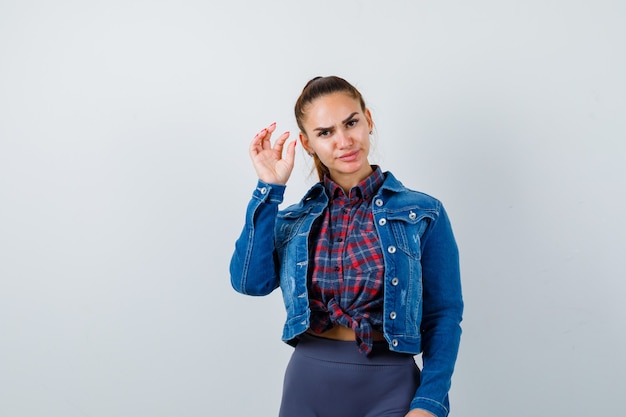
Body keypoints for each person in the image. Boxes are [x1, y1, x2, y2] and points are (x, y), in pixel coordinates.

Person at [230, 76, 463, 417]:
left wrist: (429, 403)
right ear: (307, 143)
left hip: (392, 387)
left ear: (368, 120)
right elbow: (249, 283)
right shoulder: (295, 220)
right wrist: (268, 189)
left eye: (351, 123)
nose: (344, 141)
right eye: (325, 132)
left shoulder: (423, 213)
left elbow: (443, 315)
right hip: (307, 386)